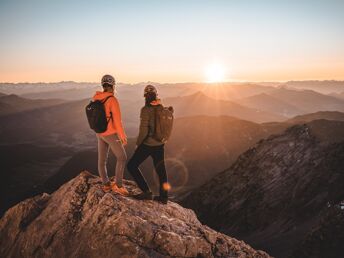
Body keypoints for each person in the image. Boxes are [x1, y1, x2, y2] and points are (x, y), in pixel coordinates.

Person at [127, 85, 169, 204]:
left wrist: (138, 144)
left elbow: (143, 131)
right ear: (156, 95)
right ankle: (164, 197)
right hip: (160, 145)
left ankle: (146, 191)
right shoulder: (161, 108)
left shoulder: (145, 110)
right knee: (161, 171)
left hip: (148, 145)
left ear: (145, 96)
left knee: (131, 165)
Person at [92, 74, 129, 195]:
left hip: (99, 133)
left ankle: (106, 185)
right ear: (113, 85)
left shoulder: (97, 98)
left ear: (103, 85)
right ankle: (118, 185)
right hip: (110, 134)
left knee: (101, 161)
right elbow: (118, 122)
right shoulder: (112, 100)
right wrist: (122, 137)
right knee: (122, 157)